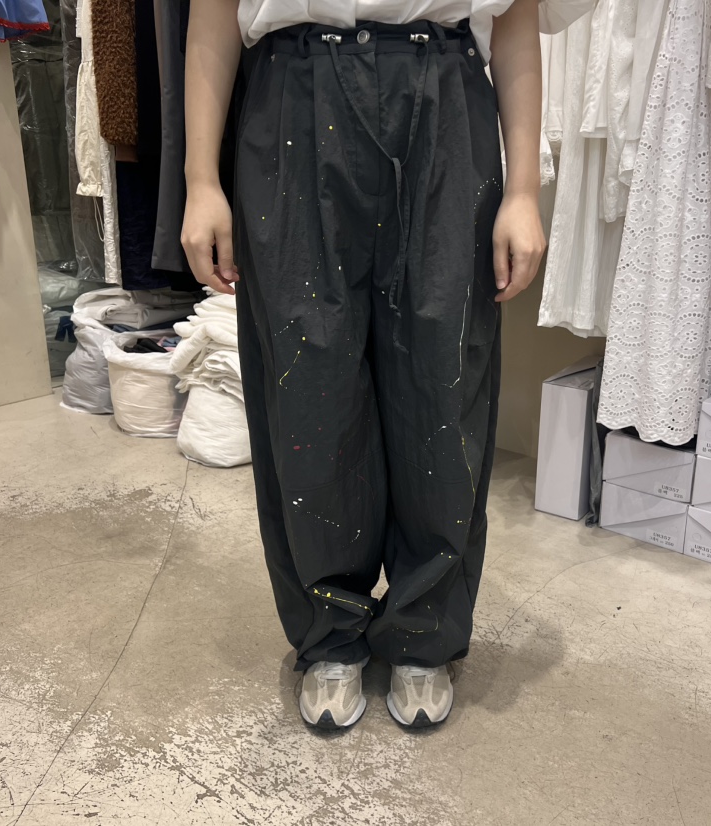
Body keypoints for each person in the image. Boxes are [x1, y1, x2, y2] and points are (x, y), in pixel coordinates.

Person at [182, 0, 546, 730]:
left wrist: (525, 190)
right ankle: (330, 630)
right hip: (291, 94)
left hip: (444, 97)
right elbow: (212, 13)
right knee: (307, 385)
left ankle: (423, 628)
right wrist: (200, 181)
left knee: (443, 381)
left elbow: (516, 17)